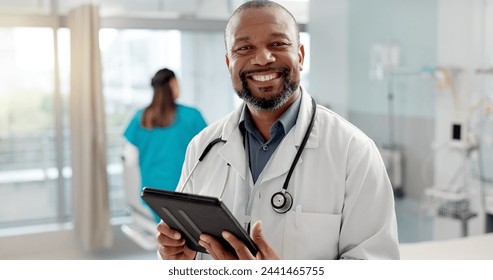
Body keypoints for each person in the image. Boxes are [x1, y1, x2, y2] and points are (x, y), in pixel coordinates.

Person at [156, 0, 400, 260]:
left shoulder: (354, 152)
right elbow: (182, 249)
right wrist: (180, 259)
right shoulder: (203, 146)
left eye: (278, 44)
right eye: (245, 47)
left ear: (301, 56)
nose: (262, 58)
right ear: (229, 64)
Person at [123, 68, 207, 223]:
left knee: (164, 236)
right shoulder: (192, 116)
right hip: (184, 193)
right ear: (173, 83)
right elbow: (209, 154)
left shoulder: (140, 118)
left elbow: (129, 159)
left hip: (152, 195)